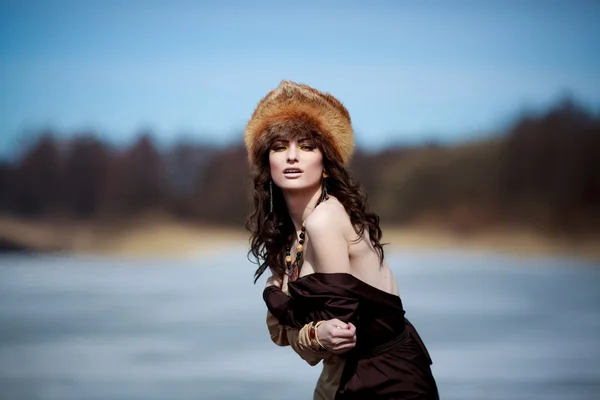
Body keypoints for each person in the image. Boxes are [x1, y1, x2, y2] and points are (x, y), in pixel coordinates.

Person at [245, 80, 439, 399]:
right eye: (280, 146)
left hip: (386, 383)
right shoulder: (289, 238)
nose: (292, 156)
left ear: (325, 164)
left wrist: (312, 331)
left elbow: (339, 337)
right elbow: (283, 334)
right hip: (341, 379)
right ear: (268, 161)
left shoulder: (325, 220)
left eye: (307, 146)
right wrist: (314, 333)